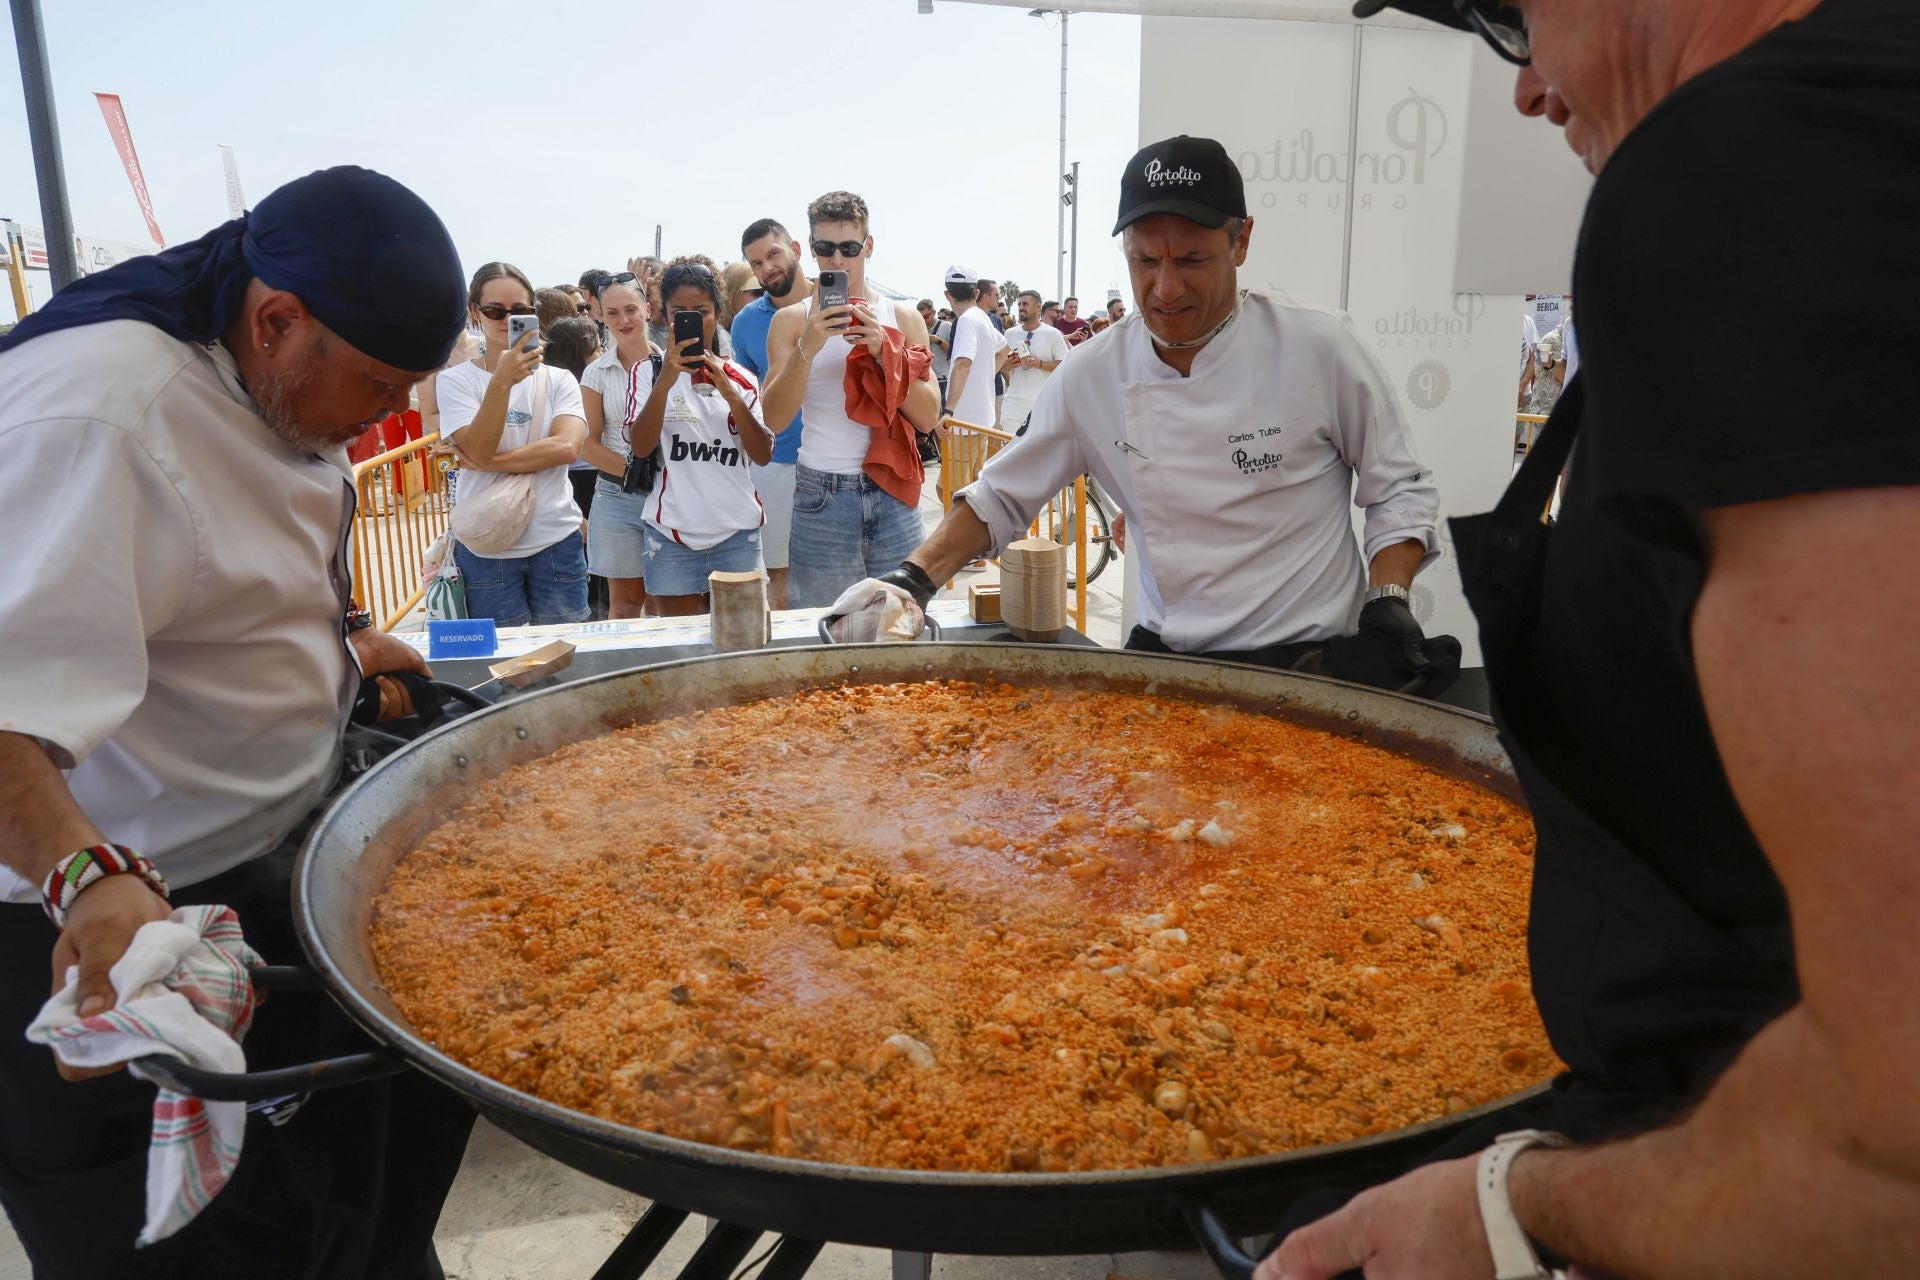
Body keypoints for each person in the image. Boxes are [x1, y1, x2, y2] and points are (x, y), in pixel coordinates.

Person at [1254, 2, 1920, 1278]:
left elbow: (1894, 1132)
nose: (1526, 86)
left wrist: (1515, 1206)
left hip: (1741, 1191)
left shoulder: (1763, 157)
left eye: (1520, 14)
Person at [0, 165, 476, 1279]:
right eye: (379, 387)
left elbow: (219, 557)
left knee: (347, 1226)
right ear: (276, 320)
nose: (391, 418)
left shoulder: (271, 369)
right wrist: (91, 874)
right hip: (109, 941)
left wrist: (336, 644)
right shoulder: (99, 416)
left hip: (264, 880)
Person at [876, 135, 1458, 698]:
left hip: (1311, 666)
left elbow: (1399, 489)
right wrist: (911, 581)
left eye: (1193, 259)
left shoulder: (1319, 346)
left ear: (1242, 242)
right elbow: (1000, 497)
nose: (1165, 287)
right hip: (1172, 665)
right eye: (1145, 260)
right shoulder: (1094, 373)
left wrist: (1388, 599)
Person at [762, 190, 942, 607]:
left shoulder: (903, 318)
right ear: (811, 249)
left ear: (869, 247)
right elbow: (773, 419)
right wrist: (809, 344)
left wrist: (885, 354)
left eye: (849, 248)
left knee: (903, 626)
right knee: (825, 635)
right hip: (821, 494)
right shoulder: (790, 321)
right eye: (825, 248)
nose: (838, 260)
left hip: (893, 490)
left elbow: (929, 416)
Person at [437, 261, 591, 627]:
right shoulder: (456, 381)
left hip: (555, 538)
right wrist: (501, 382)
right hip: (487, 544)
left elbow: (567, 449)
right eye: (495, 311)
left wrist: (487, 462)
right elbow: (477, 446)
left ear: (534, 314)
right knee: (503, 667)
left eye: (520, 311)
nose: (507, 320)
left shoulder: (559, 380)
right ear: (475, 312)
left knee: (565, 656)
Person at [627, 257, 775, 615]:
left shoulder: (740, 377)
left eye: (702, 311)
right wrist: (665, 383)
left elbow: (762, 453)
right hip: (672, 536)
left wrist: (729, 393)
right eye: (679, 311)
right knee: (680, 649)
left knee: (744, 646)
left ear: (718, 313)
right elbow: (641, 444)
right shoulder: (647, 372)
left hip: (737, 536)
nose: (691, 320)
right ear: (663, 313)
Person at [734, 218, 814, 610]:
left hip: (839, 462)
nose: (766, 267)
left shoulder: (838, 305)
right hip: (777, 462)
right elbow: (749, 396)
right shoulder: (745, 323)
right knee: (777, 574)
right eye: (756, 263)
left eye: (773, 254)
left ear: (796, 249)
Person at [577, 272, 655, 619]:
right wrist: (636, 472)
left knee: (666, 602)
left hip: (669, 497)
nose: (623, 320)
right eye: (612, 313)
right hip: (616, 496)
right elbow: (587, 444)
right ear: (600, 317)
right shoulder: (596, 373)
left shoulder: (672, 366)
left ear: (647, 309)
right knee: (623, 605)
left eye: (630, 309)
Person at [1001, 288, 1071, 433]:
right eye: (1019, 304)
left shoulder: (1053, 334)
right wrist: (1006, 365)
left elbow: (1065, 366)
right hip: (1013, 403)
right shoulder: (1009, 334)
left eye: (1025, 304)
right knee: (1011, 450)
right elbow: (1001, 366)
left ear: (1038, 307)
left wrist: (1039, 364)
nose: (1021, 308)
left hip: (1042, 404)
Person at [941, 266, 1001, 432]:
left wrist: (948, 411)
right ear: (976, 293)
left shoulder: (966, 320)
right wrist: (986, 373)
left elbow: (963, 364)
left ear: (947, 295)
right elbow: (1004, 350)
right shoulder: (983, 317)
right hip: (981, 421)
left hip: (963, 424)